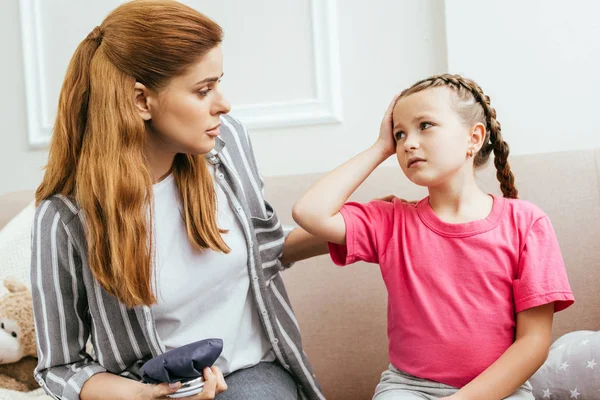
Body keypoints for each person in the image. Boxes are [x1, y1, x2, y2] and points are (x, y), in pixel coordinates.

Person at [30, 1, 328, 399]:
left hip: (250, 377)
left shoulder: (226, 144)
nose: (223, 103)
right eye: (204, 90)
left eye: (218, 83)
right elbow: (59, 367)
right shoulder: (66, 217)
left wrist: (359, 229)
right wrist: (143, 396)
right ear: (141, 101)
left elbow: (263, 249)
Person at [292, 74, 574, 400]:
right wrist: (379, 147)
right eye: (399, 134)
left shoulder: (526, 223)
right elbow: (309, 212)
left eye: (425, 125)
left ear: (474, 137)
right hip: (408, 389)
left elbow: (534, 344)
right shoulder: (390, 221)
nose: (408, 142)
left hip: (501, 391)